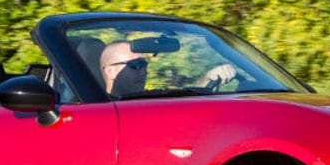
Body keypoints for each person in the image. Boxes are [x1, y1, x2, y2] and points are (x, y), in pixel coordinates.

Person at [99, 41, 237, 97]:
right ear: (110, 71)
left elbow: (186, 101)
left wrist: (208, 78)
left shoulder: (153, 98)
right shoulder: (100, 108)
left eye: (145, 65)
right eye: (135, 65)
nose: (143, 71)